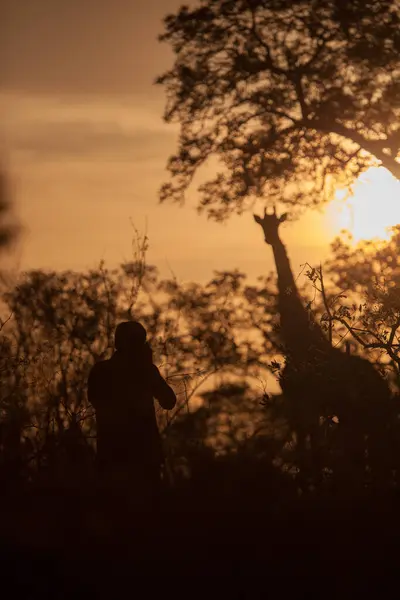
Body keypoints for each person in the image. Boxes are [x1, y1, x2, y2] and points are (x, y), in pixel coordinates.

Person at [87, 321, 176, 506]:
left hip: (118, 457)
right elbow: (168, 401)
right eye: (137, 342)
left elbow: (169, 402)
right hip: (131, 459)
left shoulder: (101, 370)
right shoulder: (141, 371)